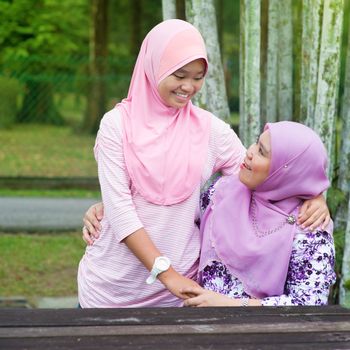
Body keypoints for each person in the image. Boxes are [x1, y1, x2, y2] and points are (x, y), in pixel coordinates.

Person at [78, 19, 330, 308]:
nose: (189, 86)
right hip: (110, 289)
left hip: (180, 294)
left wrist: (314, 194)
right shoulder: (116, 125)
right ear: (153, 67)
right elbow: (121, 211)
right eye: (179, 74)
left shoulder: (210, 130)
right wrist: (165, 272)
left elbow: (267, 175)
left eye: (198, 77)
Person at [181, 121, 336, 307]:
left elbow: (309, 303)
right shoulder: (222, 192)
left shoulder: (309, 228)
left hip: (263, 331)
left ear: (285, 171)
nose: (250, 151)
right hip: (197, 324)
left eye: (262, 152)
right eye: (256, 142)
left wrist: (229, 305)